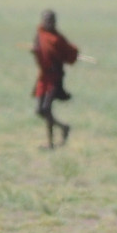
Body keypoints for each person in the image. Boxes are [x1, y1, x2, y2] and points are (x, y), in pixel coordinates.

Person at [29, 9, 79, 148]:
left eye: (50, 20)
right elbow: (40, 56)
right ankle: (63, 127)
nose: (48, 23)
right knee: (40, 110)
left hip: (54, 77)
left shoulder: (58, 38)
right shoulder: (39, 36)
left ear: (54, 22)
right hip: (43, 77)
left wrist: (70, 55)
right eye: (46, 20)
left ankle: (50, 143)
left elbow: (70, 53)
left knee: (46, 108)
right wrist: (35, 52)